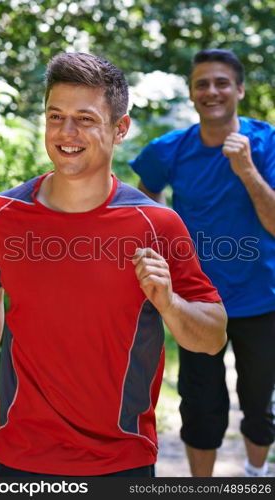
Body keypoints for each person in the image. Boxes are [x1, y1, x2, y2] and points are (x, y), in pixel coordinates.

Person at [0, 52, 226, 478]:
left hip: (120, 461)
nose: (67, 132)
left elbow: (213, 337)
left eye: (85, 119)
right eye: (55, 115)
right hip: (18, 455)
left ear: (120, 128)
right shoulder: (1, 213)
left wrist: (170, 303)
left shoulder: (156, 223)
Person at [129, 48, 275, 478]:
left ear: (239, 90)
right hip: (194, 300)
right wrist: (163, 258)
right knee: (200, 406)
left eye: (221, 82)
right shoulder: (167, 150)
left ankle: (254, 476)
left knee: (259, 403)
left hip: (262, 297)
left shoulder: (266, 143)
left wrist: (246, 168)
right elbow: (141, 206)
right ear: (192, 94)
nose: (211, 91)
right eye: (202, 84)